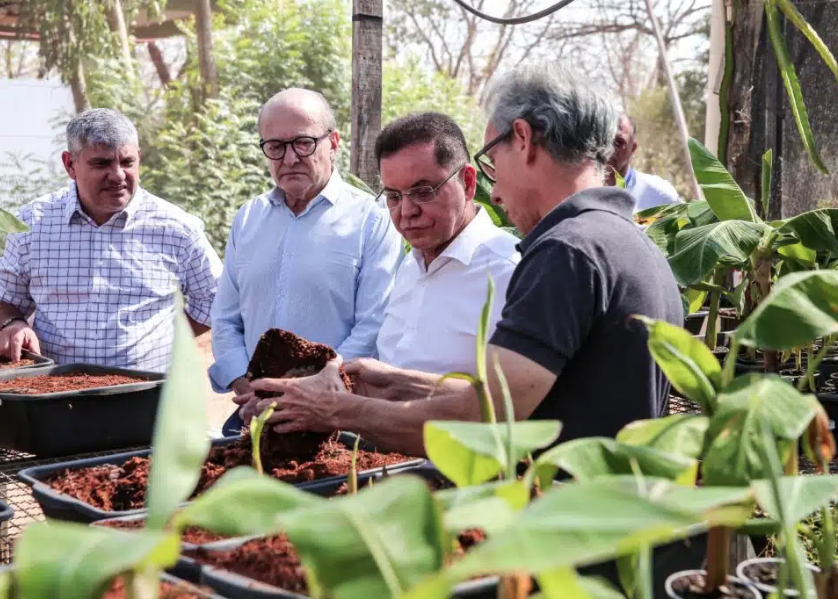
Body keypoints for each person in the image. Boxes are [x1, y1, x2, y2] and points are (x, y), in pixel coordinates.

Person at [234, 64, 684, 456]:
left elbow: (484, 417)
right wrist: (389, 380)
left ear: (522, 140)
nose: (497, 189)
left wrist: (339, 410)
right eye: (392, 196)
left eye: (491, 158)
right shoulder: (622, 237)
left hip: (574, 533)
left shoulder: (566, 251)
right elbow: (519, 394)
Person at [210, 88, 402, 431]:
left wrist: (305, 395)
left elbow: (373, 327)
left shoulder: (371, 221)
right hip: (253, 416)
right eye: (275, 147)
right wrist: (246, 386)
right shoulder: (248, 218)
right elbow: (225, 319)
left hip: (335, 421)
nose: (290, 158)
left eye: (303, 143)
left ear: (334, 142)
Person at [0, 108, 222, 372]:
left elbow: (215, 302)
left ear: (139, 158)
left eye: (127, 162)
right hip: (54, 398)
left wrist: (159, 342)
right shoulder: (33, 223)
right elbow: (0, 302)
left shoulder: (177, 228)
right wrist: (12, 325)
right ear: (70, 165)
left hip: (148, 396)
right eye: (101, 163)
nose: (118, 175)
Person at [372, 112, 519, 375]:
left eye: (423, 192)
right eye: (393, 196)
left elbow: (512, 399)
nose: (406, 211)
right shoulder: (409, 266)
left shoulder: (509, 273)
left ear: (468, 183)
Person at [605, 113, 682, 212]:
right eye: (604, 140)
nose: (609, 148)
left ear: (633, 148)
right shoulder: (582, 191)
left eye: (618, 142)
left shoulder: (659, 194)